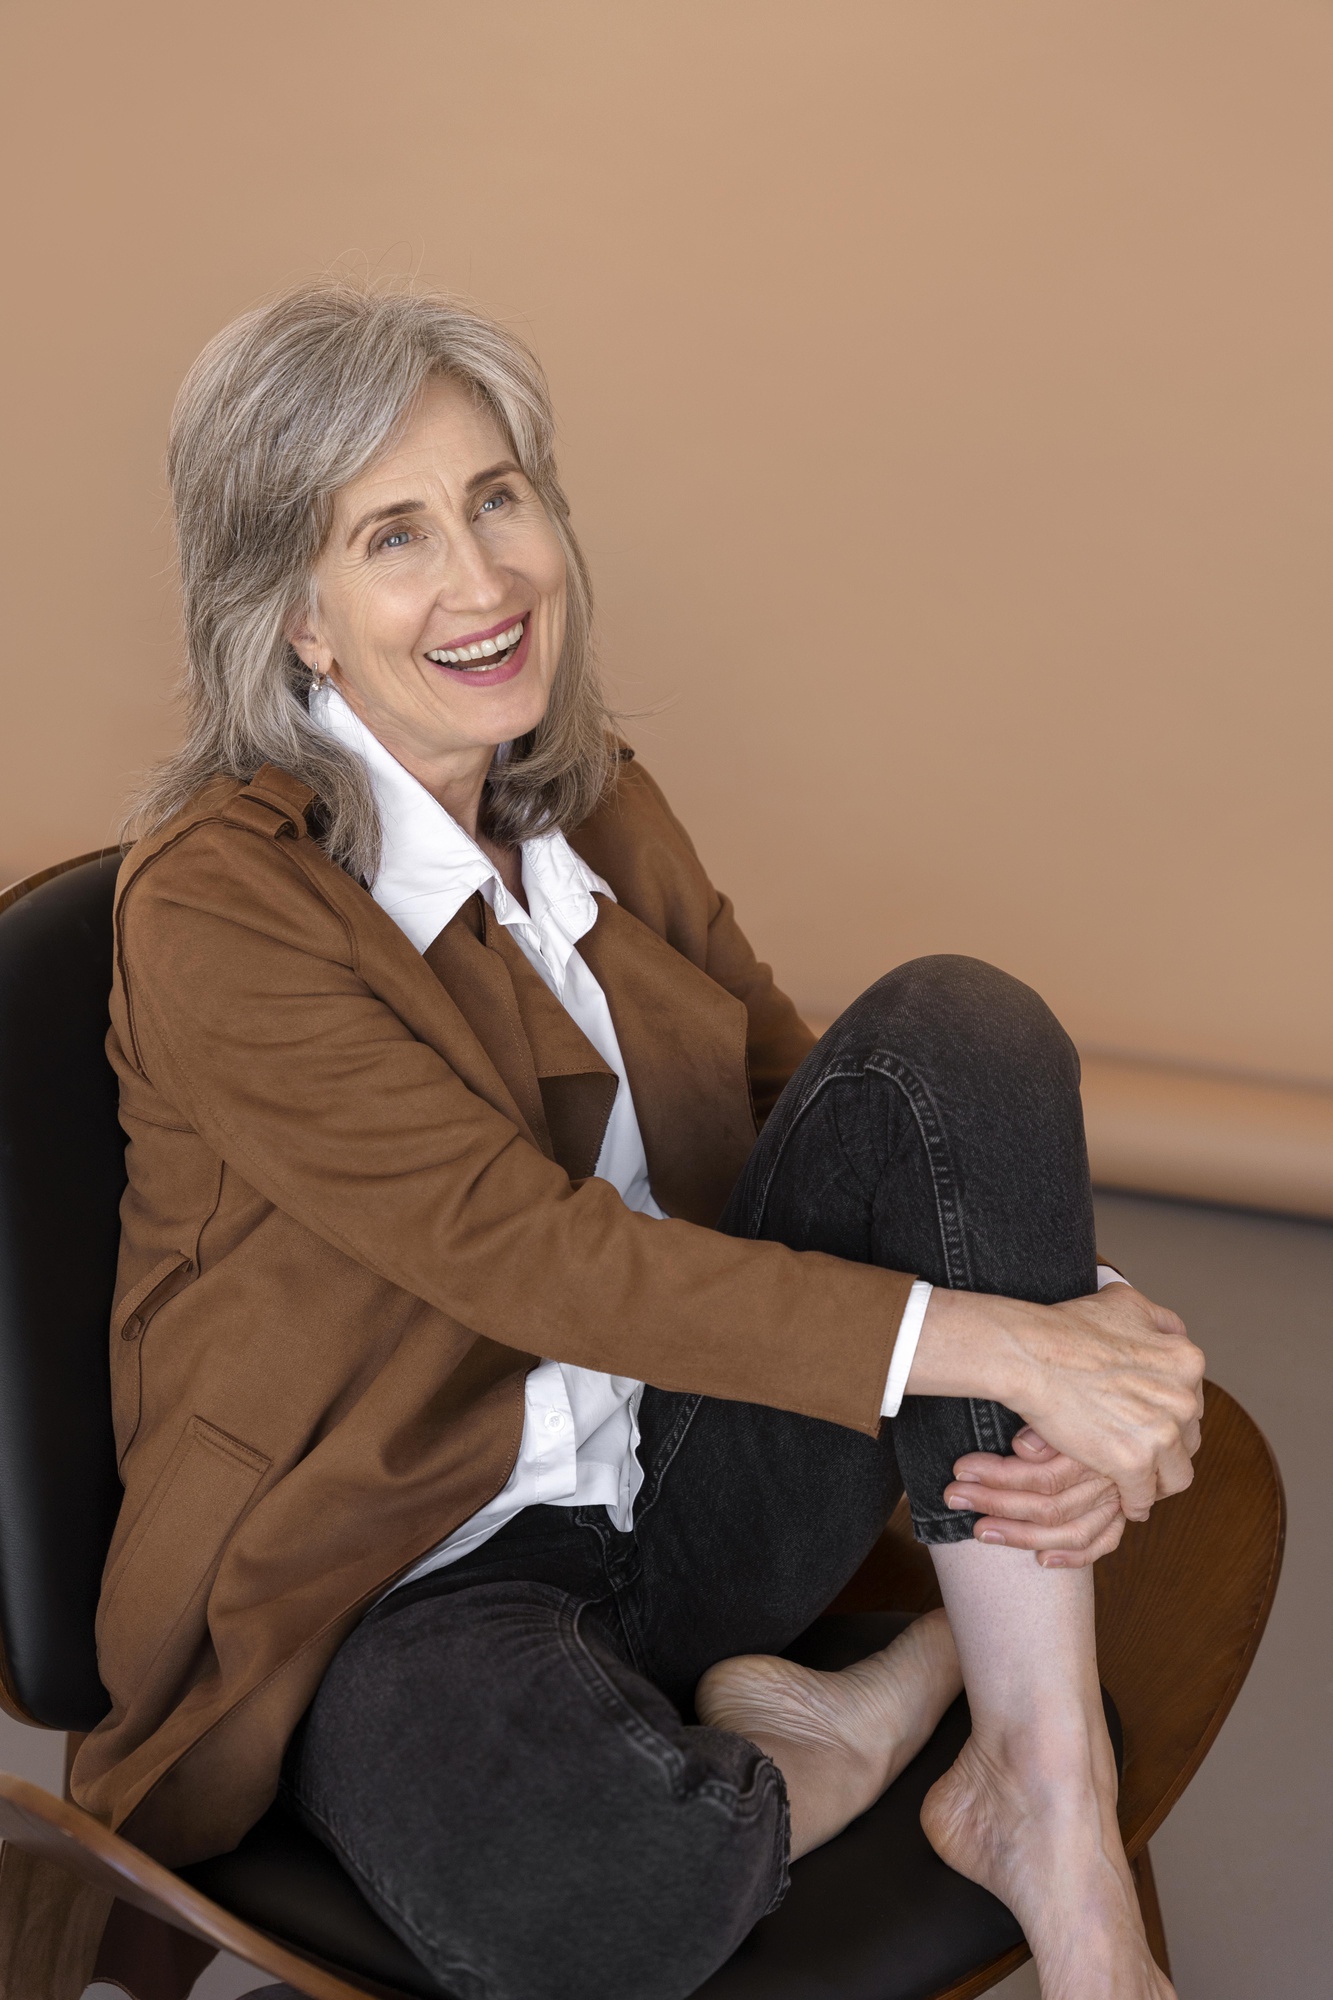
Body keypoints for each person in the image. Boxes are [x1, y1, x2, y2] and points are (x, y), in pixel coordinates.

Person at [74, 285, 1204, 2000]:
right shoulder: (217, 908)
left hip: (680, 1484)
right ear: (295, 619)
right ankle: (891, 1700)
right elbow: (527, 1251)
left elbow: (820, 1112)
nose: (483, 579)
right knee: (600, 1894)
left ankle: (1045, 1797)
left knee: (954, 1033)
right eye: (395, 536)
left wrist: (1084, 1318)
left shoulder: (589, 796)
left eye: (499, 497)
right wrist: (1026, 1350)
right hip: (398, 1571)